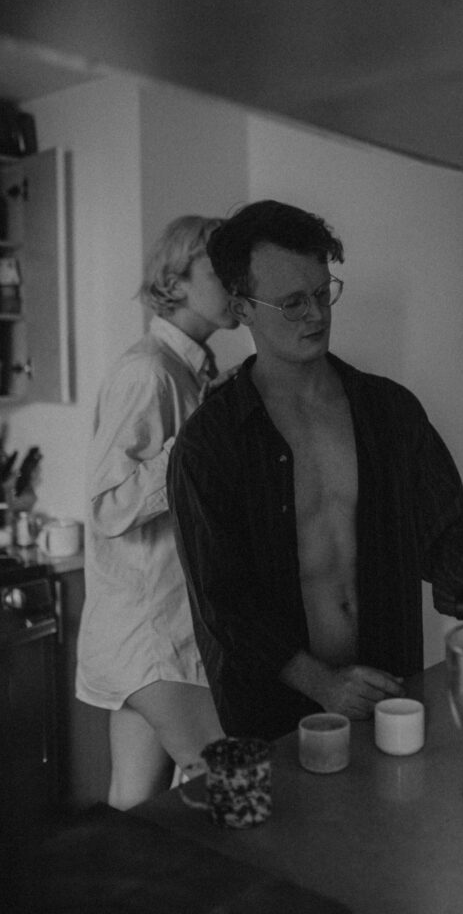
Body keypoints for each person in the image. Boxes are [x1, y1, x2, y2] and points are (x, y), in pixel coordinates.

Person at [168, 199, 463, 742]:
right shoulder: (211, 443)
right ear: (241, 308)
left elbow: (447, 535)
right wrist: (323, 684)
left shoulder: (389, 412)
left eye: (323, 293)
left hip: (386, 693)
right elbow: (222, 601)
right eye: (292, 302)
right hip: (272, 714)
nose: (317, 314)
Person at [76, 214, 239, 810]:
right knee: (229, 783)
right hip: (150, 638)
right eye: (220, 270)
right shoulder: (148, 371)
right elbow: (108, 506)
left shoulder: (192, 373)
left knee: (133, 810)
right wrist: (195, 441)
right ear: (175, 280)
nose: (235, 282)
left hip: (160, 634)